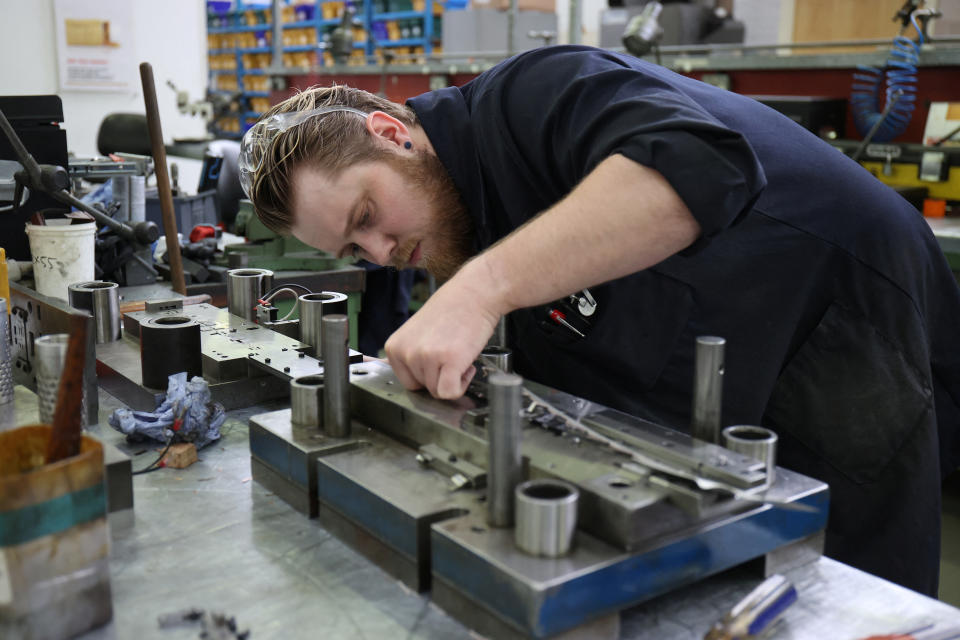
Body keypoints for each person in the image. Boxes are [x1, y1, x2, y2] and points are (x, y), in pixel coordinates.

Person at [239, 45, 960, 596]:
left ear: (392, 133)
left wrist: (477, 292)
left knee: (846, 584)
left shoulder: (535, 92)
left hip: (844, 319)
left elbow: (698, 167)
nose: (381, 252)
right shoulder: (466, 208)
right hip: (720, 367)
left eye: (367, 217)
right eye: (351, 249)